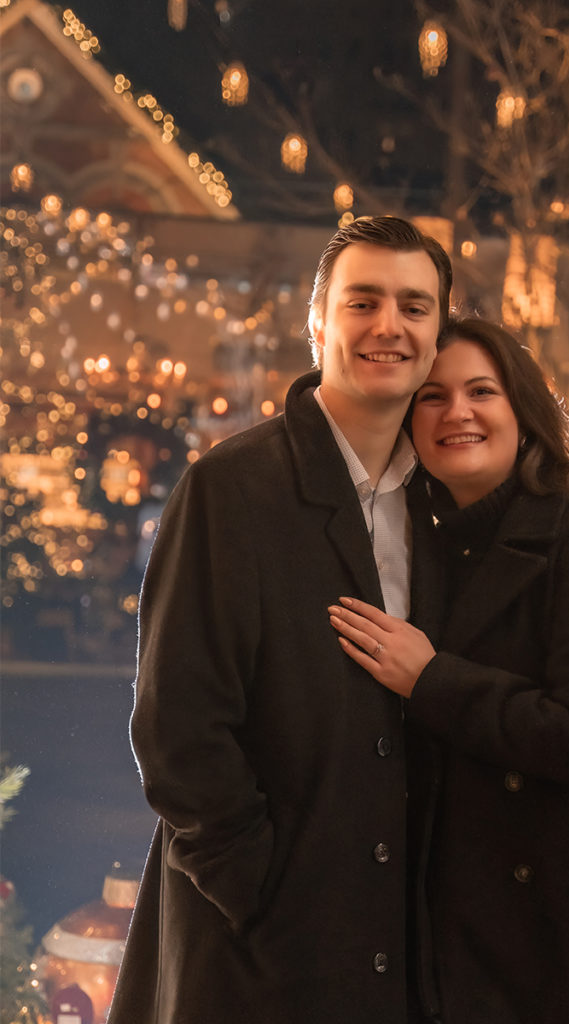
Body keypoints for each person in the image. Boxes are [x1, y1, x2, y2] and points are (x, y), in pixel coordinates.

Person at [108, 216, 452, 1024]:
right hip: (255, 947)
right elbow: (178, 731)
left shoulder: (444, 506)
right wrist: (255, 887)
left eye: (415, 305)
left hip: (400, 944)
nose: (389, 325)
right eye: (362, 301)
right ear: (318, 324)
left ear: (440, 333)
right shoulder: (229, 490)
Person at [329, 318, 569, 1024]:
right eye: (432, 397)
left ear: (521, 410)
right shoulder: (421, 554)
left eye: (481, 391)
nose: (457, 413)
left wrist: (432, 679)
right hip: (462, 963)